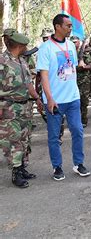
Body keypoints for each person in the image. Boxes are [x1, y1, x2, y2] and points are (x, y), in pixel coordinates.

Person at [37, 14, 91, 181]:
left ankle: (78, 163)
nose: (70, 28)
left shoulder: (70, 45)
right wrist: (49, 98)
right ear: (57, 27)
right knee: (54, 136)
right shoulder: (45, 48)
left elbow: (71, 69)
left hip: (73, 98)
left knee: (78, 130)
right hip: (55, 100)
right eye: (67, 25)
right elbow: (44, 76)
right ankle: (57, 167)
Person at [0, 32, 43, 188]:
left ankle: (22, 167)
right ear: (19, 46)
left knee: (25, 139)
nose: (27, 48)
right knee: (13, 141)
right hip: (8, 108)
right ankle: (16, 173)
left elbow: (28, 84)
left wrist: (37, 98)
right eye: (25, 46)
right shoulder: (2, 61)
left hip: (25, 107)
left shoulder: (22, 61)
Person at [71, 36, 91, 127]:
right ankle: (75, 120)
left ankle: (83, 119)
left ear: (79, 42)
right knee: (74, 102)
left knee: (84, 101)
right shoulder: (68, 53)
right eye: (72, 42)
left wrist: (84, 67)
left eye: (75, 42)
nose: (74, 44)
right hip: (72, 81)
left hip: (84, 81)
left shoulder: (85, 53)